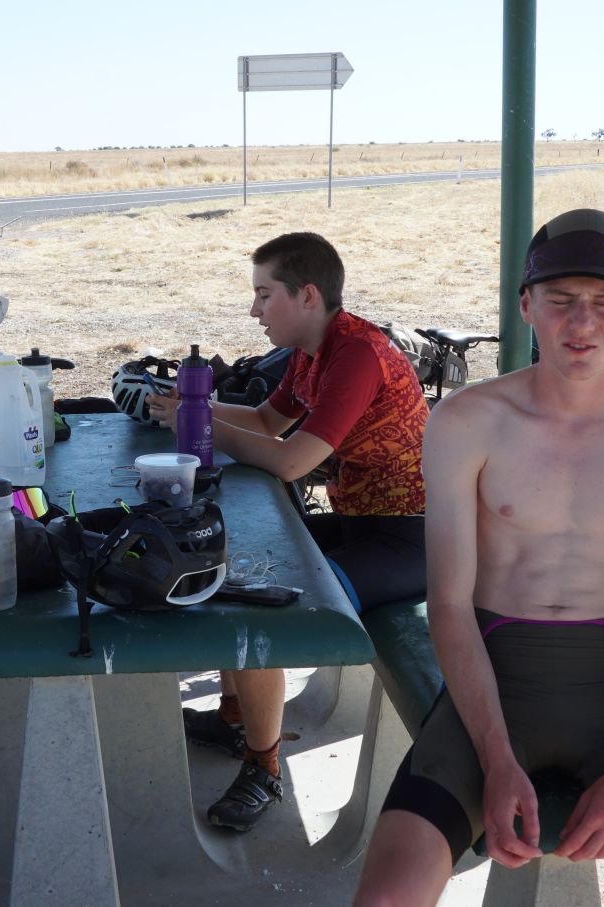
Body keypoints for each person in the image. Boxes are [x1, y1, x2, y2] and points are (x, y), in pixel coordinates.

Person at [353, 209, 604, 906]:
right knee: (387, 899)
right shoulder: (468, 422)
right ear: (525, 305)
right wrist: (495, 758)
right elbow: (448, 603)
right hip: (488, 686)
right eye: (561, 300)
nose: (582, 323)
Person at [147, 232, 428, 832]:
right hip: (364, 522)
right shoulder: (311, 350)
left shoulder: (356, 353)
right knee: (233, 562)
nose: (253, 310)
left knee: (263, 613)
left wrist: (201, 423)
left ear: (306, 295)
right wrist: (185, 408)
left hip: (412, 538)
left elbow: (293, 460)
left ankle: (264, 767)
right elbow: (268, 421)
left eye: (262, 294)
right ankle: (232, 716)